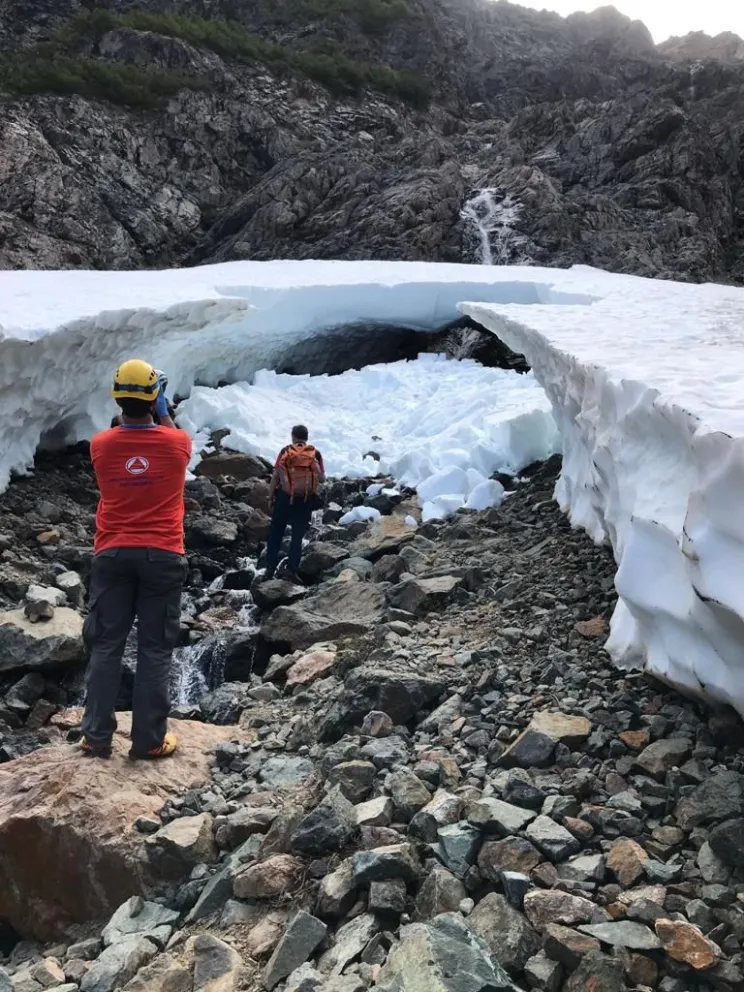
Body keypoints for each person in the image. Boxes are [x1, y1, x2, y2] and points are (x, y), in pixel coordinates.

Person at [79, 359, 191, 760]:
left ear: (116, 396)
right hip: (163, 554)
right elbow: (170, 433)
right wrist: (161, 407)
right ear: (154, 398)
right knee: (154, 649)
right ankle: (148, 741)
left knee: (106, 645)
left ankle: (95, 737)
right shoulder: (176, 444)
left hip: (111, 553)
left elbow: (121, 433)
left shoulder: (100, 446)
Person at [264, 425, 325, 582]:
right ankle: (291, 570)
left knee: (276, 533)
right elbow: (323, 479)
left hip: (284, 498)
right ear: (306, 437)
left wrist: (270, 497)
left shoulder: (285, 451)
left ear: (292, 436)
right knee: (297, 537)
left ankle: (269, 569)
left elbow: (276, 476)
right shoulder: (315, 454)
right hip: (304, 501)